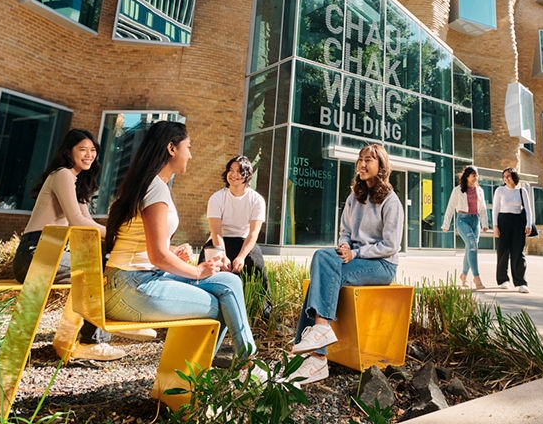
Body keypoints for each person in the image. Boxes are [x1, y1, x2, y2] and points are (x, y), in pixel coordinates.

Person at [102, 121, 261, 374]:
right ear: (171, 148)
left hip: (134, 280)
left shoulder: (151, 184)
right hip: (131, 287)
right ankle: (194, 378)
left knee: (229, 283)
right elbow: (157, 256)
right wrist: (198, 271)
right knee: (218, 305)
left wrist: (173, 251)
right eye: (188, 147)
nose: (191, 154)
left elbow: (147, 244)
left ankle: (247, 362)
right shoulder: (155, 189)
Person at [289, 144, 403, 386]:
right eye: (360, 160)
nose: (362, 164)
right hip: (354, 258)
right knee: (322, 256)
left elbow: (391, 245)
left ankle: (314, 353)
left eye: (368, 160)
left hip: (381, 265)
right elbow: (345, 232)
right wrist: (344, 247)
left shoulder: (391, 201)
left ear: (381, 166)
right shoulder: (354, 197)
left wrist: (357, 252)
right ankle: (318, 339)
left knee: (329, 272)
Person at [11, 128, 128, 361]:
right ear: (68, 151)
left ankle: (106, 326)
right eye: (82, 149)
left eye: (93, 150)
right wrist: (121, 236)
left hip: (50, 252)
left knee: (105, 261)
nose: (89, 155)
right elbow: (77, 223)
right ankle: (94, 340)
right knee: (100, 268)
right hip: (35, 254)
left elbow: (87, 221)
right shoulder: (62, 174)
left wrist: (118, 236)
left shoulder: (76, 181)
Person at [199, 155, 272, 321]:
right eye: (231, 170)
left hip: (243, 240)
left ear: (247, 175)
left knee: (257, 263)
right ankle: (202, 312)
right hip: (220, 240)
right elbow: (216, 231)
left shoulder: (257, 200)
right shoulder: (217, 197)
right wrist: (222, 255)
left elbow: (253, 233)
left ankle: (265, 316)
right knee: (205, 263)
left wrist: (241, 256)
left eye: (239, 171)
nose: (234, 175)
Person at [442, 165, 489, 289]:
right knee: (473, 246)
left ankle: (463, 275)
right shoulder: (458, 190)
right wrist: (446, 224)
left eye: (477, 175)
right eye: (473, 175)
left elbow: (483, 208)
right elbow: (450, 207)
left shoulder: (480, 190)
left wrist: (485, 224)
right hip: (463, 220)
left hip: (476, 220)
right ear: (467, 176)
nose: (476, 178)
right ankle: (476, 278)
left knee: (470, 248)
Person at [492, 167, 534, 293]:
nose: (506, 178)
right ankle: (503, 280)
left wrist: (529, 224)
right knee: (502, 252)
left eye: (508, 176)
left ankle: (521, 282)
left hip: (518, 223)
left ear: (514, 177)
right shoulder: (500, 190)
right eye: (504, 176)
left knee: (518, 253)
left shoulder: (522, 191)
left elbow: (528, 209)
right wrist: (495, 226)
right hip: (503, 221)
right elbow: (495, 209)